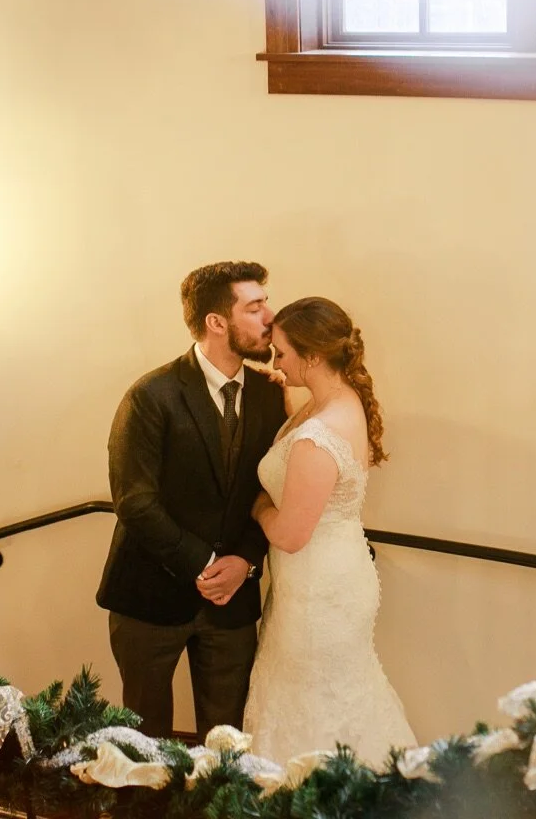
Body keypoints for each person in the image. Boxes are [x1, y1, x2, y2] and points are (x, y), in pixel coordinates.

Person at [96, 262, 289, 738]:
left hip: (234, 604)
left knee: (227, 743)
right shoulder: (150, 395)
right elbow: (135, 501)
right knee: (143, 743)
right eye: (255, 306)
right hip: (148, 596)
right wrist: (205, 563)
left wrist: (244, 560)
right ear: (216, 322)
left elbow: (268, 489)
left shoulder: (269, 393)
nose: (270, 317)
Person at [242, 296, 415, 763]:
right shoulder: (334, 401)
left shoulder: (320, 436)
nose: (276, 361)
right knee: (326, 698)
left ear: (313, 355)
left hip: (320, 593)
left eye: (282, 353)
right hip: (320, 579)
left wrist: (259, 508)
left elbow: (292, 533)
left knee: (313, 706)